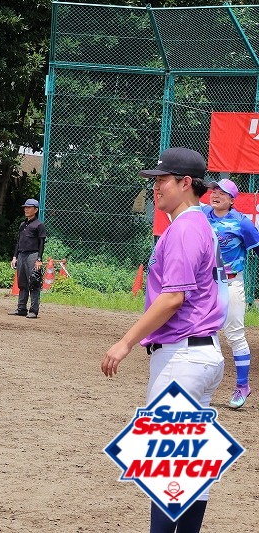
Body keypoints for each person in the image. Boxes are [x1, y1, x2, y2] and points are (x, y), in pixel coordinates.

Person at [101, 147, 228, 533]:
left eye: (163, 180)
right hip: (199, 355)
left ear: (186, 183)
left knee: (166, 470)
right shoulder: (198, 223)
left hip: (181, 358)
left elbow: (173, 298)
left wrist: (125, 342)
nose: (156, 188)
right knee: (190, 469)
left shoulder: (185, 227)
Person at [203, 177, 259, 409]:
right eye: (214, 190)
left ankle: (242, 386)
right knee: (202, 332)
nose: (216, 194)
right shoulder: (202, 215)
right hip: (206, 284)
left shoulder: (242, 223)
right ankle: (200, 385)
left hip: (231, 284)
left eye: (222, 192)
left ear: (232, 200)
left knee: (235, 335)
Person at [8, 199, 46, 318]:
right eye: (25, 207)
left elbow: (41, 243)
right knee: (22, 283)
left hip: (33, 255)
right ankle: (21, 308)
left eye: (29, 207)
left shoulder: (39, 225)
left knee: (34, 282)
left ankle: (33, 310)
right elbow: (18, 242)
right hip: (21, 255)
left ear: (36, 210)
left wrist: (39, 259)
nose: (26, 209)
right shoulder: (22, 225)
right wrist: (15, 256)